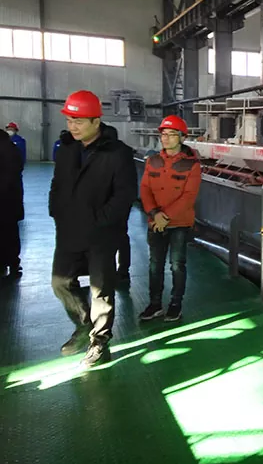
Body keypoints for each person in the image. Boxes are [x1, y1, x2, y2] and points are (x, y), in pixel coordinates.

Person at [49, 90, 138, 368]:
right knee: (60, 282)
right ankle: (84, 322)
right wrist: (57, 212)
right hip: (68, 230)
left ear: (96, 121)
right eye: (69, 120)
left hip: (101, 235)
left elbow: (124, 196)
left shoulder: (118, 153)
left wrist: (100, 222)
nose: (72, 127)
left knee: (101, 291)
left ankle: (99, 343)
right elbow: (57, 184)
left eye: (78, 121)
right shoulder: (66, 149)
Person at [138, 115, 201, 322]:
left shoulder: (191, 165)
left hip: (179, 223)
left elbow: (189, 196)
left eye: (171, 134)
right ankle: (155, 304)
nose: (165, 138)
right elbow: (145, 189)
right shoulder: (152, 161)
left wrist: (165, 217)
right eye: (163, 134)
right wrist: (154, 214)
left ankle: (175, 305)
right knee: (155, 265)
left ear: (182, 137)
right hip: (155, 220)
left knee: (177, 265)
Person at [0, 130, 23, 280]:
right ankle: (13, 262)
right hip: (12, 201)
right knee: (11, 232)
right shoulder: (13, 149)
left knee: (6, 232)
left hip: (5, 200)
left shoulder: (5, 151)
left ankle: (7, 261)